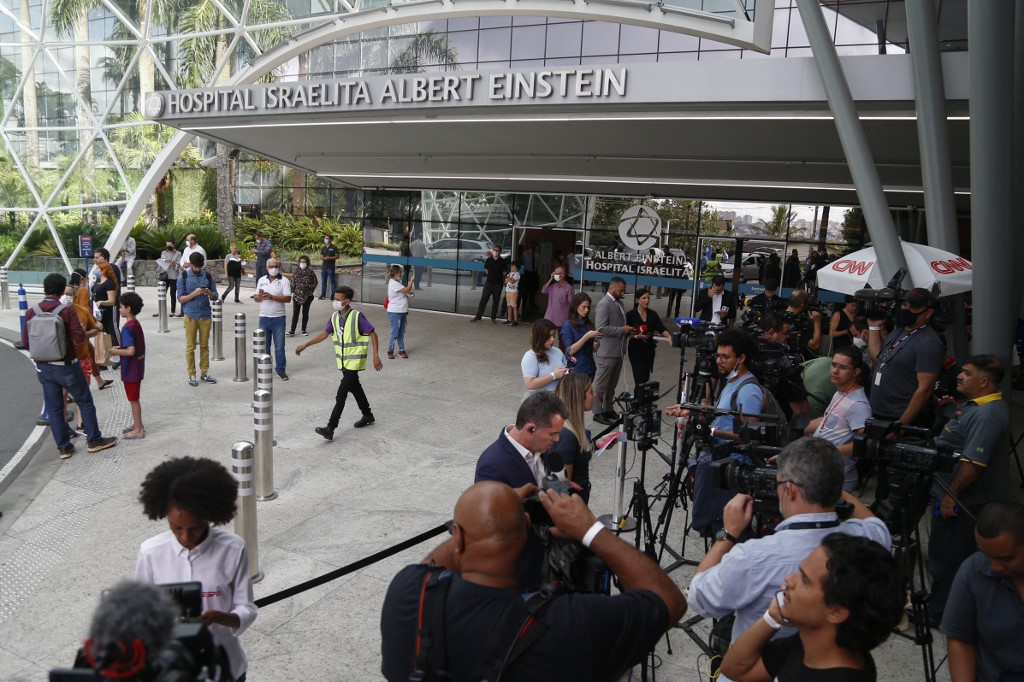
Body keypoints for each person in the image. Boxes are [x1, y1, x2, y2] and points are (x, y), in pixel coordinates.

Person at [380, 481, 687, 681]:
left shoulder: (408, 594)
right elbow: (669, 602)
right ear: (527, 529)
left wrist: (485, 520)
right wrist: (591, 531)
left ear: (457, 536)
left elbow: (429, 569)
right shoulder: (572, 622)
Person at [687, 438, 891, 678]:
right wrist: (831, 484)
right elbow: (876, 524)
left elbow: (698, 596)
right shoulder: (865, 544)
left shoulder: (755, 556)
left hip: (751, 668)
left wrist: (729, 534)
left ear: (790, 490)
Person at [135, 457, 257, 682]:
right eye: (176, 527)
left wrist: (220, 617)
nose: (185, 536)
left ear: (209, 516)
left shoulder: (233, 549)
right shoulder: (150, 552)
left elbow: (246, 608)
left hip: (225, 669)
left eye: (195, 527)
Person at [720, 534, 904, 682]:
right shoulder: (810, 644)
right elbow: (734, 669)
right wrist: (771, 618)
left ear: (837, 611)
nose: (789, 580)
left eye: (805, 580)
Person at [927, 355, 1011, 624]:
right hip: (950, 492)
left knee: (948, 557)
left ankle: (939, 613)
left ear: (984, 381)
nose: (959, 376)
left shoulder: (987, 415)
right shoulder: (974, 406)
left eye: (966, 373)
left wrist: (951, 494)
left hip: (962, 501)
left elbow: (972, 464)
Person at [666, 328, 765, 536]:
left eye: (725, 357)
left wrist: (711, 431)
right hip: (718, 461)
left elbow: (749, 437)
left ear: (742, 358)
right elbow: (722, 416)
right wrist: (690, 412)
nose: (718, 361)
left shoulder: (748, 391)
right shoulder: (730, 381)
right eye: (718, 355)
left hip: (731, 470)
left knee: (724, 531)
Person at [23, 273, 118, 459]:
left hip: (43, 367)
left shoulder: (32, 311)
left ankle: (64, 447)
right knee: (84, 400)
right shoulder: (66, 311)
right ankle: (94, 440)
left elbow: (27, 341)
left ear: (45, 288)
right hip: (66, 365)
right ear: (61, 291)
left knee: (55, 407)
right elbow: (79, 337)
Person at [941, 500, 1024, 682]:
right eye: (987, 556)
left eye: (1006, 559)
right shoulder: (973, 571)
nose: (995, 567)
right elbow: (960, 639)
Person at [297, 285, 383, 440]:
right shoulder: (335, 317)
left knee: (341, 394)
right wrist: (305, 345)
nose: (334, 302)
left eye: (337, 299)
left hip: (354, 362)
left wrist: (376, 356)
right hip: (343, 362)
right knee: (355, 388)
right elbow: (324, 334)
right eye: (334, 299)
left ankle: (331, 427)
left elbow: (372, 333)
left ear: (347, 301)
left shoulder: (357, 317)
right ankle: (368, 415)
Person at [867, 287, 944, 427]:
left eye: (912, 307)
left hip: (898, 419)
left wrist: (901, 425)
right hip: (877, 413)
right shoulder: (899, 331)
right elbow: (878, 359)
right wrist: (874, 327)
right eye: (904, 304)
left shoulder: (929, 342)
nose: (905, 309)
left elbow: (925, 389)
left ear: (928, 313)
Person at [805, 347, 871, 491]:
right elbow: (829, 420)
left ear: (856, 372)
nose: (835, 371)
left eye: (842, 367)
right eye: (833, 365)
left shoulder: (858, 405)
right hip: (821, 472)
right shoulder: (840, 392)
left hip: (837, 479)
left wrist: (828, 450)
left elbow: (866, 444)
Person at [475, 391, 569, 489]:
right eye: (552, 434)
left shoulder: (544, 447)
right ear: (530, 429)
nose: (557, 439)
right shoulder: (492, 465)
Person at [593, 276, 633, 425]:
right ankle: (597, 412)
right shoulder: (604, 304)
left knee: (612, 384)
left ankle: (608, 408)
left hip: (618, 351)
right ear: (612, 288)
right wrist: (622, 330)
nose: (623, 293)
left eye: (624, 290)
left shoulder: (619, 303)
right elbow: (601, 328)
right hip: (607, 351)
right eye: (621, 290)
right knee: (600, 384)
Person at [551, 372, 596, 503]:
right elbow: (562, 490)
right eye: (591, 391)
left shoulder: (573, 429)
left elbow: (576, 452)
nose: (595, 395)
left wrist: (596, 444)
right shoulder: (566, 437)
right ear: (578, 397)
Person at [756, 313, 810, 417]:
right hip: (776, 424)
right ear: (771, 332)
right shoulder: (783, 362)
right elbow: (802, 413)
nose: (788, 337)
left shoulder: (745, 354)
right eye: (785, 333)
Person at [178, 252, 219, 387]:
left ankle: (204, 372)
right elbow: (180, 299)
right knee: (190, 347)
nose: (197, 269)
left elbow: (215, 297)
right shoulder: (183, 276)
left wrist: (209, 292)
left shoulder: (206, 275)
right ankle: (191, 374)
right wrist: (194, 293)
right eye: (195, 267)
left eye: (199, 267)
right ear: (190, 264)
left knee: (204, 346)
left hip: (205, 315)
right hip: (190, 315)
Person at [109, 292, 146, 439]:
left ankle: (138, 429)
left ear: (128, 309)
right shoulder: (135, 324)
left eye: (122, 307)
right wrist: (121, 347)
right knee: (134, 398)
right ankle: (138, 424)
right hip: (138, 367)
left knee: (133, 399)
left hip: (131, 369)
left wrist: (114, 351)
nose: (119, 309)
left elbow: (131, 350)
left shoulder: (127, 327)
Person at [69, 271, 112, 390]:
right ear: (82, 278)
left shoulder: (70, 290)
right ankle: (76, 389)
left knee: (90, 353)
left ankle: (99, 380)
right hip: (81, 327)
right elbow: (84, 309)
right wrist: (94, 322)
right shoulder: (82, 290)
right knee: (86, 355)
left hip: (72, 328)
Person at [254, 256, 292, 380]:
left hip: (278, 319)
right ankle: (266, 368)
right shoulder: (261, 280)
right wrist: (260, 296)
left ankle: (281, 370)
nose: (274, 269)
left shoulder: (284, 280)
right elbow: (256, 298)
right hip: (264, 317)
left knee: (279, 347)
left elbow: (288, 298)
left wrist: (272, 297)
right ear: (267, 268)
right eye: (271, 267)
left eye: (276, 266)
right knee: (265, 346)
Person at [626, 288, 672, 388]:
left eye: (648, 298)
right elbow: (626, 333)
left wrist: (669, 336)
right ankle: (638, 401)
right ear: (637, 300)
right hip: (635, 349)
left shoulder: (653, 314)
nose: (646, 300)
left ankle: (641, 400)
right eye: (643, 298)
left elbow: (661, 328)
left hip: (649, 350)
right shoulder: (630, 315)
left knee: (645, 377)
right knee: (639, 378)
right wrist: (636, 336)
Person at [521, 319, 569, 398]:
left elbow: (566, 371)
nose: (552, 339)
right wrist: (553, 375)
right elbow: (530, 384)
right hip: (539, 401)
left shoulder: (558, 351)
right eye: (549, 336)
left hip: (558, 398)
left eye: (553, 335)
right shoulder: (530, 356)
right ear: (539, 336)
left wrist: (567, 372)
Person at [560, 292, 602, 379]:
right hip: (576, 369)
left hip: (589, 367)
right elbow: (570, 351)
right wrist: (586, 336)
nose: (586, 310)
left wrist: (596, 340)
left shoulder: (588, 323)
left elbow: (594, 349)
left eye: (588, 307)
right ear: (576, 307)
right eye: (584, 307)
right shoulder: (567, 325)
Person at [471, 243, 508, 323]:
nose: (495, 252)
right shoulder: (489, 260)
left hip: (498, 284)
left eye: (497, 251)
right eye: (494, 250)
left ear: (500, 252)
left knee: (496, 301)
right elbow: (486, 270)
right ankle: (478, 316)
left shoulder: (502, 261)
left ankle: (493, 318)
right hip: (488, 284)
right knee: (483, 300)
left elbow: (504, 273)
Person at [784, 290, 823, 360]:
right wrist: (817, 322)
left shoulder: (776, 316)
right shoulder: (801, 322)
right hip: (799, 362)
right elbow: (814, 345)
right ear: (802, 305)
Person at [385, 264, 414, 359]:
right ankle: (390, 351)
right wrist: (411, 281)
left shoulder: (396, 282)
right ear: (397, 273)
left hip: (401, 311)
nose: (401, 273)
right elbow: (407, 289)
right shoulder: (394, 283)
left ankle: (401, 350)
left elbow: (404, 291)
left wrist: (410, 293)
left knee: (401, 332)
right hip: (395, 312)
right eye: (400, 272)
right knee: (395, 332)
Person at [287, 255, 318, 337]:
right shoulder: (296, 271)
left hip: (307, 296)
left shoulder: (310, 272)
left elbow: (315, 282)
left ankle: (303, 329)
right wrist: (291, 292)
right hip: (297, 296)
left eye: (304, 262)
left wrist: (311, 290)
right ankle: (292, 330)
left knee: (305, 313)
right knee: (295, 313)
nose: (302, 264)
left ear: (307, 263)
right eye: (301, 262)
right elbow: (292, 282)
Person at [93, 261, 121, 345]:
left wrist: (101, 302)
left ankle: (119, 345)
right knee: (103, 329)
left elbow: (112, 300)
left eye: (98, 268)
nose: (96, 270)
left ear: (103, 270)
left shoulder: (109, 283)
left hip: (109, 310)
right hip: (100, 311)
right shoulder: (98, 283)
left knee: (112, 328)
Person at [541, 264, 575, 328]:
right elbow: (543, 291)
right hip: (550, 317)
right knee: (547, 336)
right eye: (554, 273)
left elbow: (572, 304)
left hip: (562, 318)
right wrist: (551, 279)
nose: (555, 275)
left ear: (563, 275)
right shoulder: (553, 286)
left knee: (562, 337)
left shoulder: (568, 288)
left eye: (557, 273)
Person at [156, 239, 182, 316]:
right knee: (162, 293)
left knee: (172, 294)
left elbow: (179, 265)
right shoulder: (164, 252)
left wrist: (171, 262)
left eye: (170, 245)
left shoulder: (178, 253)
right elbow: (161, 262)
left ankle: (172, 311)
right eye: (167, 245)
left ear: (173, 245)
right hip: (165, 275)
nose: (168, 247)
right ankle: (160, 310)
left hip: (174, 275)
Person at [320, 233, 340, 299]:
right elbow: (321, 256)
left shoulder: (334, 247)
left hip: (330, 267)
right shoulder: (324, 248)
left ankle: (333, 295)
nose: (325, 239)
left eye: (327, 238)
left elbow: (337, 256)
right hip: (324, 267)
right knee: (323, 282)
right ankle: (323, 295)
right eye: (325, 238)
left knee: (332, 282)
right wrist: (323, 258)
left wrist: (329, 258)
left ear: (331, 240)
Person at [503, 261, 521, 326]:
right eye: (511, 266)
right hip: (508, 291)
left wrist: (509, 278)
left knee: (514, 306)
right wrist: (509, 278)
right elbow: (505, 281)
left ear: (517, 267)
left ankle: (516, 320)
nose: (512, 267)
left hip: (514, 292)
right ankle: (509, 319)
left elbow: (512, 281)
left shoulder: (517, 274)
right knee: (509, 306)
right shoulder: (510, 273)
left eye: (513, 266)